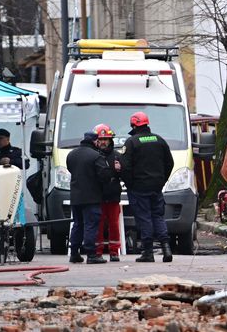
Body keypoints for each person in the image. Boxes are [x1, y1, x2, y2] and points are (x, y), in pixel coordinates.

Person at [120, 111, 174, 263]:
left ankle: (148, 253)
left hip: (138, 188)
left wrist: (130, 183)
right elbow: (169, 163)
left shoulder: (132, 142)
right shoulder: (160, 140)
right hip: (156, 187)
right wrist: (162, 180)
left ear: (133, 125)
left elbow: (125, 166)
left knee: (144, 219)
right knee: (158, 216)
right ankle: (166, 248)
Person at [66, 128, 113, 264]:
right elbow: (104, 175)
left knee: (77, 224)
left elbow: (70, 169)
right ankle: (91, 254)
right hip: (92, 197)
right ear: (95, 141)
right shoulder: (96, 156)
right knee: (91, 225)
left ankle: (74, 253)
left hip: (75, 196)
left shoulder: (72, 154)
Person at [92, 123, 124, 262]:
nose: (103, 142)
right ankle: (97, 252)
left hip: (112, 195)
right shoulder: (92, 155)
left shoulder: (117, 156)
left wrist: (120, 170)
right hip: (97, 195)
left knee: (114, 224)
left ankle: (114, 251)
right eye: (101, 139)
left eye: (106, 139)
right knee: (97, 225)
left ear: (110, 140)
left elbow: (124, 173)